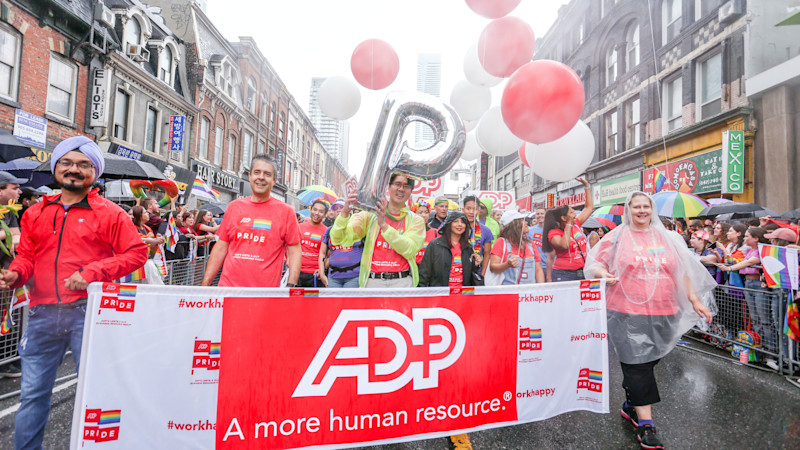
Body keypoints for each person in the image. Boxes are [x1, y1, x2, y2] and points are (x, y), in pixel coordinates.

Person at [0, 136, 148, 449]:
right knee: (32, 395)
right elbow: (27, 256)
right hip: (41, 314)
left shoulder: (111, 213)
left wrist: (92, 273)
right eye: (66, 163)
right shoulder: (36, 212)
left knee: (96, 394)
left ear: (95, 171)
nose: (74, 169)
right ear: (56, 168)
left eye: (83, 164)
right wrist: (16, 274)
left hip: (89, 314)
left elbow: (136, 254)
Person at [584, 191, 714, 450]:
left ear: (652, 209)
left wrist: (695, 300)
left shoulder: (668, 237)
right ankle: (646, 425)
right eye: (637, 207)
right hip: (626, 311)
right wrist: (602, 273)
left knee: (648, 361)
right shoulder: (617, 236)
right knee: (637, 365)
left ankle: (632, 402)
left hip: (666, 310)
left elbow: (683, 272)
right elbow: (595, 263)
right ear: (628, 209)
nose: (642, 210)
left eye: (646, 206)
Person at [202, 155, 300, 287]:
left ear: (274, 180)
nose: (261, 177)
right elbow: (220, 248)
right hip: (229, 290)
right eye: (257, 172)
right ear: (250, 176)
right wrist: (205, 285)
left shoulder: (286, 212)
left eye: (267, 174)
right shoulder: (234, 207)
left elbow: (294, 251)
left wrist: (291, 285)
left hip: (264, 294)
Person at [331, 173, 425, 288]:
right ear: (388, 187)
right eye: (397, 184)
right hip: (373, 281)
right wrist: (345, 213)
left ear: (411, 191)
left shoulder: (416, 220)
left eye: (406, 186)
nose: (401, 189)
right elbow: (339, 239)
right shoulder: (370, 215)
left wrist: (384, 226)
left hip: (402, 281)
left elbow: (409, 249)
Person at [717, 227, 775, 365]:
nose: (744, 238)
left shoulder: (762, 250)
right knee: (755, 319)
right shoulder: (749, 250)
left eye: (747, 236)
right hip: (748, 283)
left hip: (758, 284)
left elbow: (749, 262)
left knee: (764, 319)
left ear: (756, 238)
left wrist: (730, 268)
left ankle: (771, 352)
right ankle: (758, 349)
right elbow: (737, 261)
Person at [542, 178, 593, 281]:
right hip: (564, 274)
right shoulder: (553, 233)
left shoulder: (576, 224)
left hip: (582, 271)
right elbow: (564, 245)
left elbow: (588, 208)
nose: (575, 214)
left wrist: (587, 186)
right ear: (564, 218)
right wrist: (569, 223)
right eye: (572, 213)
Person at [418, 211, 478, 287]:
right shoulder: (435, 245)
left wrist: (475, 265)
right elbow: (425, 271)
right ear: (449, 224)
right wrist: (422, 290)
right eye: (456, 221)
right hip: (441, 292)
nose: (460, 224)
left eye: (463, 222)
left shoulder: (468, 247)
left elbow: (470, 275)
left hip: (462, 292)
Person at [489, 211, 544, 285]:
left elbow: (538, 270)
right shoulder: (501, 242)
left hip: (529, 291)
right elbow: (493, 267)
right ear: (514, 225)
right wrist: (507, 265)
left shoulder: (531, 244)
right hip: (508, 290)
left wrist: (541, 288)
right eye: (522, 220)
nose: (526, 223)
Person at [298, 200, 329, 287]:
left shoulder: (326, 231)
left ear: (324, 215)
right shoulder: (299, 227)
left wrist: (322, 270)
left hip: (315, 275)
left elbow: (328, 255)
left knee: (313, 296)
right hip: (297, 272)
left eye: (321, 211)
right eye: (315, 210)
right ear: (310, 210)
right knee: (297, 296)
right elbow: (290, 247)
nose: (317, 213)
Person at [462, 195, 494, 275]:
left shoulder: (486, 231)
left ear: (478, 210)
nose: (471, 212)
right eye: (468, 208)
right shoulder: (457, 228)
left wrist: (482, 275)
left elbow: (487, 254)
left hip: (476, 272)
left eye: (475, 209)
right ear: (463, 210)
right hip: (458, 271)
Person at [526, 208, 549, 273]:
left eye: (542, 214)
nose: (540, 215)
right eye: (538, 214)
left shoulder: (552, 229)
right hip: (535, 265)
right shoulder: (529, 230)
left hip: (549, 266)